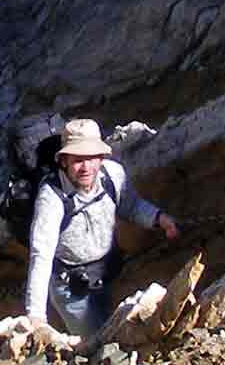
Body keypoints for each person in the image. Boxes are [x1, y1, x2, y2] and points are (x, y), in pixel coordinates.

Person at [22, 118, 180, 338]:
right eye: (78, 160)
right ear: (64, 161)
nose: (86, 167)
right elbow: (42, 254)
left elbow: (131, 206)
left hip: (109, 272)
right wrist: (36, 315)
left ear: (101, 157)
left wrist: (159, 219)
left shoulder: (112, 175)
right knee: (98, 343)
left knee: (124, 332)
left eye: (91, 158)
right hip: (71, 289)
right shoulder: (52, 198)